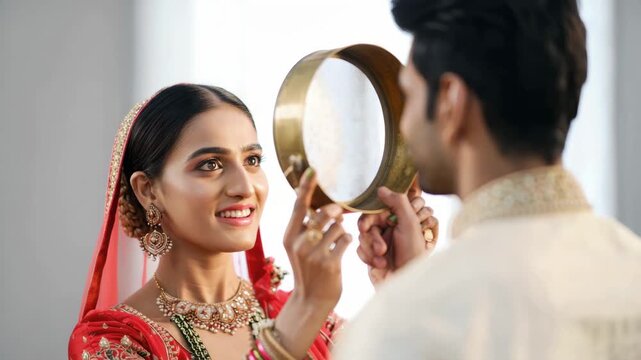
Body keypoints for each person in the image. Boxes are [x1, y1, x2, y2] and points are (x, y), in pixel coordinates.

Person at [337, 0, 641, 359]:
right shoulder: (630, 270)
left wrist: (411, 293)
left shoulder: (401, 323)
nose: (405, 125)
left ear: (451, 100)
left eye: (410, 95)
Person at [68, 83, 437, 359]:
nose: (245, 187)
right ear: (148, 190)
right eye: (210, 165)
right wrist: (303, 315)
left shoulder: (298, 315)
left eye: (252, 160)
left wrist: (403, 284)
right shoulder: (114, 341)